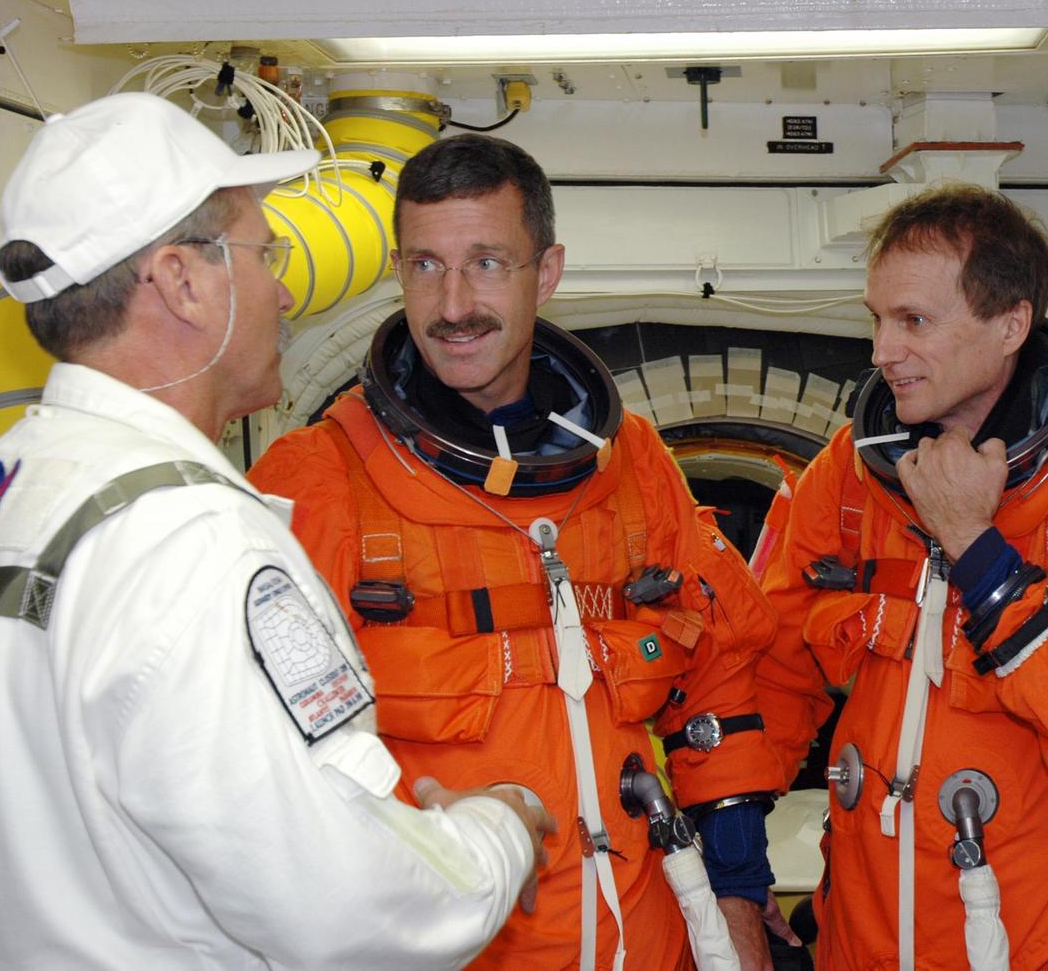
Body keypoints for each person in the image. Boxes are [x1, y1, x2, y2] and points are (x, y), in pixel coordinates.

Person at [0, 92, 553, 970]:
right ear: (181, 281)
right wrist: (498, 829)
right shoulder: (186, 537)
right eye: (263, 254)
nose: (284, 288)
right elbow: (341, 910)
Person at [247, 132, 831, 970]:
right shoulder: (321, 478)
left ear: (546, 272)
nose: (453, 304)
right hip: (451, 945)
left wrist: (738, 890)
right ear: (398, 270)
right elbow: (263, 759)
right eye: (426, 266)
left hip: (646, 935)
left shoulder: (632, 463)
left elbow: (719, 678)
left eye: (487, 263)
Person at [753, 184, 1048, 969]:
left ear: (1010, 324)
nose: (881, 352)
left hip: (1037, 934)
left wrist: (978, 551)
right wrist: (735, 853)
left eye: (913, 321)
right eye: (877, 319)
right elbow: (772, 663)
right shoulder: (852, 470)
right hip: (864, 929)